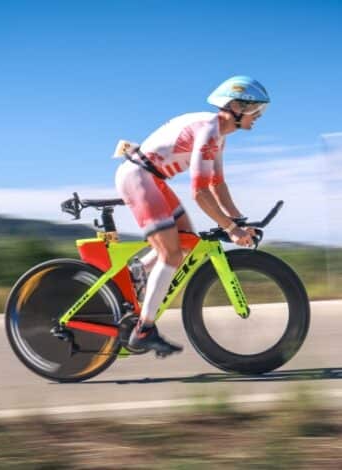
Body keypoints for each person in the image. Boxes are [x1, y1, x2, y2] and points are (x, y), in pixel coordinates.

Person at [114, 75, 270, 355]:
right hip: (139, 177)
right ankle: (143, 330)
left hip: (153, 179)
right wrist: (231, 229)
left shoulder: (217, 135)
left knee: (187, 241)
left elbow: (217, 185)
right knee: (171, 254)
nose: (258, 116)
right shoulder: (210, 129)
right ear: (236, 106)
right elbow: (199, 193)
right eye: (255, 109)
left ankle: (136, 273)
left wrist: (239, 220)